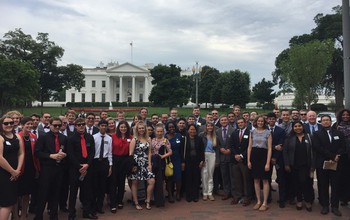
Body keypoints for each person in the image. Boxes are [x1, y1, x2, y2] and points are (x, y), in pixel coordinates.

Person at [34, 117, 68, 220]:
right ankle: (39, 216)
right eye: (55, 125)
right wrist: (50, 156)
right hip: (47, 169)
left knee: (56, 193)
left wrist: (65, 155)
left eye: (59, 125)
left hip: (59, 169)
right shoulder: (43, 137)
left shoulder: (63, 138)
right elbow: (37, 152)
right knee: (43, 193)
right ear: (50, 125)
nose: (57, 127)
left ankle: (54, 215)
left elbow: (68, 152)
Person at [313, 115, 345, 216]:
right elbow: (318, 147)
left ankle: (335, 206)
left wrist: (337, 156)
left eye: (327, 120)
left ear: (331, 122)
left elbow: (342, 146)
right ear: (321, 122)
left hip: (336, 163)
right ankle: (325, 205)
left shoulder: (339, 133)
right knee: (323, 185)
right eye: (324, 120)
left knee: (335, 185)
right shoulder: (317, 134)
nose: (326, 122)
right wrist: (332, 156)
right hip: (322, 163)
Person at [67, 118, 96, 220]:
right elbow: (70, 155)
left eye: (83, 124)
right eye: (78, 125)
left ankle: (87, 212)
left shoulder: (89, 137)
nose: (81, 126)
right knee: (73, 193)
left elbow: (92, 152)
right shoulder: (71, 139)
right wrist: (79, 166)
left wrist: (87, 165)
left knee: (87, 192)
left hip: (87, 169)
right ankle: (71, 214)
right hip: (75, 170)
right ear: (75, 126)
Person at [283, 121, 314, 212]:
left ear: (302, 126)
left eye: (299, 126)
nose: (298, 128)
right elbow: (285, 152)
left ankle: (308, 201)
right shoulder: (289, 138)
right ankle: (299, 200)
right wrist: (287, 164)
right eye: (295, 126)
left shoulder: (309, 137)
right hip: (293, 165)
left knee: (305, 183)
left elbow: (313, 152)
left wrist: (313, 165)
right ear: (293, 128)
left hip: (306, 165)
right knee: (296, 183)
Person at [0, 115, 24, 220]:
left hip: (15, 174)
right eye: (6, 123)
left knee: (10, 202)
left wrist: (17, 170)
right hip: (4, 174)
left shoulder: (17, 137)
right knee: (7, 204)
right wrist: (12, 171)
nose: (9, 125)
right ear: (1, 125)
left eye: (11, 123)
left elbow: (21, 154)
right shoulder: (0, 138)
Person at [247, 115, 272, 211]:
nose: (260, 123)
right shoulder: (252, 132)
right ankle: (258, 201)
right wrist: (248, 160)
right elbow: (249, 147)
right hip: (254, 156)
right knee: (256, 180)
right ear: (256, 122)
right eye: (258, 121)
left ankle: (265, 202)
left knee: (265, 180)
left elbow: (269, 148)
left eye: (262, 121)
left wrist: (267, 163)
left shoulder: (268, 133)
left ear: (264, 122)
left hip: (264, 156)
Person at [129, 122, 155, 210]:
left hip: (146, 162)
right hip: (136, 163)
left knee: (151, 181)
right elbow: (131, 153)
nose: (141, 130)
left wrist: (150, 164)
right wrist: (133, 165)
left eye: (143, 128)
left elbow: (150, 152)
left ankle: (147, 201)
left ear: (145, 129)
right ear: (137, 129)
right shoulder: (134, 139)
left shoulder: (148, 139)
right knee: (135, 182)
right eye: (139, 128)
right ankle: (136, 203)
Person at [17, 117, 40, 220]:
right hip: (19, 168)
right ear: (22, 125)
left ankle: (23, 215)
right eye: (27, 124)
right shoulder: (17, 137)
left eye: (31, 124)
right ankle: (15, 215)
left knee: (27, 193)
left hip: (30, 168)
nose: (30, 126)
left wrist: (37, 169)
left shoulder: (33, 136)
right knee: (17, 194)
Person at [229, 117, 252, 206]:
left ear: (245, 123)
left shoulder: (250, 133)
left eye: (242, 122)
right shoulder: (234, 133)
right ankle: (237, 196)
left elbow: (250, 147)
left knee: (246, 179)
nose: (240, 124)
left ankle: (247, 197)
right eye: (238, 123)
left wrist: (242, 155)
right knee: (237, 179)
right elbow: (232, 145)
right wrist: (235, 155)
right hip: (235, 160)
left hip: (245, 160)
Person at [110, 121, 132, 212]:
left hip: (125, 160)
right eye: (121, 127)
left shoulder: (130, 138)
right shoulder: (113, 136)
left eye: (125, 127)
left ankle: (119, 201)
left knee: (121, 182)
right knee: (113, 182)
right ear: (118, 128)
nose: (123, 128)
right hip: (115, 160)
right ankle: (113, 203)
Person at [91, 120, 112, 215]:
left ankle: (100, 206)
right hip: (95, 163)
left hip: (104, 162)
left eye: (105, 125)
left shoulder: (109, 138)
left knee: (102, 186)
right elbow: (91, 152)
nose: (103, 127)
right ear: (98, 126)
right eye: (102, 125)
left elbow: (110, 153)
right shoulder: (93, 137)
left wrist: (110, 165)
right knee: (94, 185)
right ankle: (93, 206)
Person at [267, 112, 287, 208]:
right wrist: (274, 147)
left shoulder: (281, 130)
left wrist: (275, 157)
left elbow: (282, 145)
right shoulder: (264, 130)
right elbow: (264, 145)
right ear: (267, 120)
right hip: (267, 157)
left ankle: (282, 199)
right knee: (267, 178)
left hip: (279, 158)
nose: (271, 120)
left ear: (276, 119)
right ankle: (268, 197)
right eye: (269, 119)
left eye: (273, 119)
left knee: (281, 179)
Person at [151, 124, 172, 206]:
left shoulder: (165, 140)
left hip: (161, 163)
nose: (159, 133)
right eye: (158, 131)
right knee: (153, 180)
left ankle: (160, 199)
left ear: (163, 132)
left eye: (161, 131)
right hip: (153, 162)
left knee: (161, 181)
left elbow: (170, 152)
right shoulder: (152, 140)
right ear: (155, 132)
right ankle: (153, 197)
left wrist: (163, 156)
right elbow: (150, 151)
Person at [182, 124, 204, 202]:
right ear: (188, 130)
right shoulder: (184, 139)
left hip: (196, 161)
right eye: (191, 129)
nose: (192, 131)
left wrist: (202, 160)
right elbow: (182, 151)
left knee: (196, 178)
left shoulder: (199, 139)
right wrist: (183, 162)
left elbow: (202, 150)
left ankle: (195, 195)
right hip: (187, 161)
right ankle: (189, 195)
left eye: (194, 129)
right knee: (188, 178)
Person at [332, 109, 350, 206]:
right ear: (340, 116)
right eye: (344, 115)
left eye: (347, 115)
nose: (346, 116)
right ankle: (342, 197)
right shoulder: (336, 126)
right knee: (341, 177)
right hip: (341, 156)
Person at [217, 115, 235, 200]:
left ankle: (234, 192)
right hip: (222, 157)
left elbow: (236, 143)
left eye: (225, 120)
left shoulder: (233, 130)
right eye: (222, 120)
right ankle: (227, 192)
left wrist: (230, 150)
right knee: (224, 176)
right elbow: (216, 143)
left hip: (231, 157)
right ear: (220, 122)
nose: (223, 121)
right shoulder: (218, 131)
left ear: (227, 121)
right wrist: (220, 148)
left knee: (232, 176)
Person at [199, 121, 218, 201]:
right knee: (204, 174)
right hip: (203, 155)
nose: (209, 128)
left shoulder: (215, 136)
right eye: (208, 126)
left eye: (211, 126)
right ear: (206, 127)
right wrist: (200, 159)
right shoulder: (201, 135)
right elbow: (199, 148)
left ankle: (210, 193)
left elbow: (217, 148)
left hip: (212, 155)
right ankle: (204, 193)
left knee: (210, 174)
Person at [165, 121, 184, 202]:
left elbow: (182, 150)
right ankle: (170, 194)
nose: (171, 128)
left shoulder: (179, 136)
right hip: (169, 160)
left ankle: (178, 193)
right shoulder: (165, 137)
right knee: (169, 178)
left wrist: (183, 162)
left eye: (172, 127)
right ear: (167, 128)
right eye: (169, 127)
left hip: (178, 160)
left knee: (178, 178)